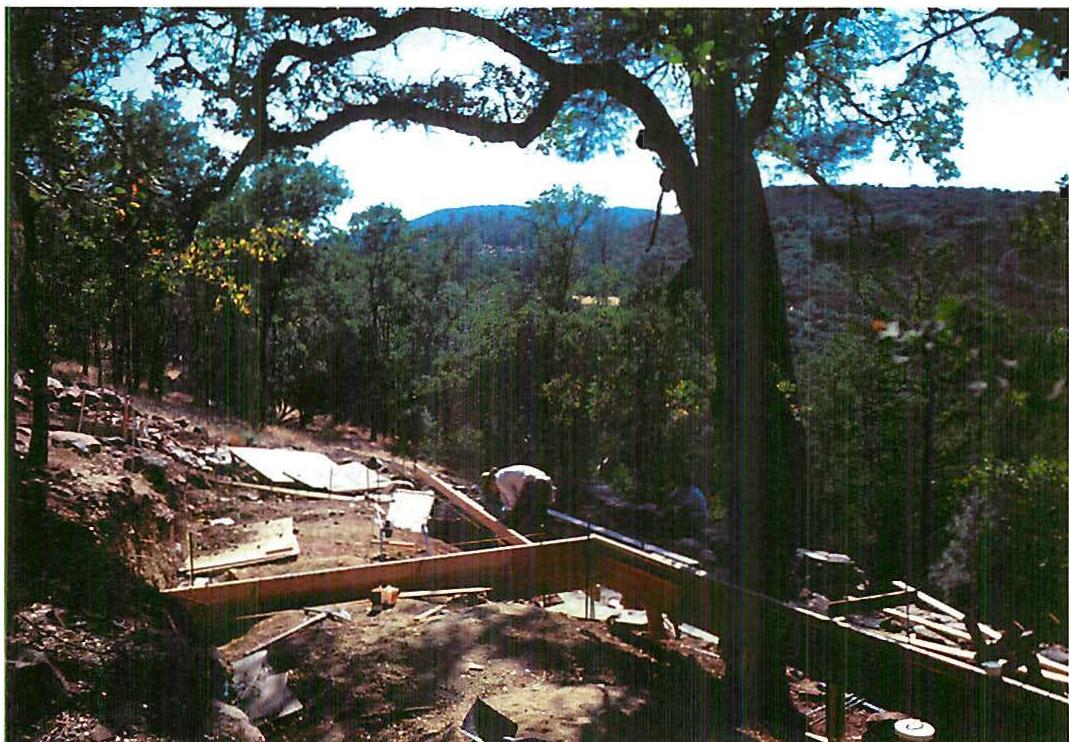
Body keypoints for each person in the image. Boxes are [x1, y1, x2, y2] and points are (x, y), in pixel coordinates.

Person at [480, 464, 557, 534]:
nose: (493, 491)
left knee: (523, 517)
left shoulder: (499, 479)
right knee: (537, 516)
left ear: (491, 483)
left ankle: (525, 534)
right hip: (543, 483)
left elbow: (512, 500)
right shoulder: (506, 474)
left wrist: (510, 517)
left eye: (490, 488)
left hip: (533, 485)